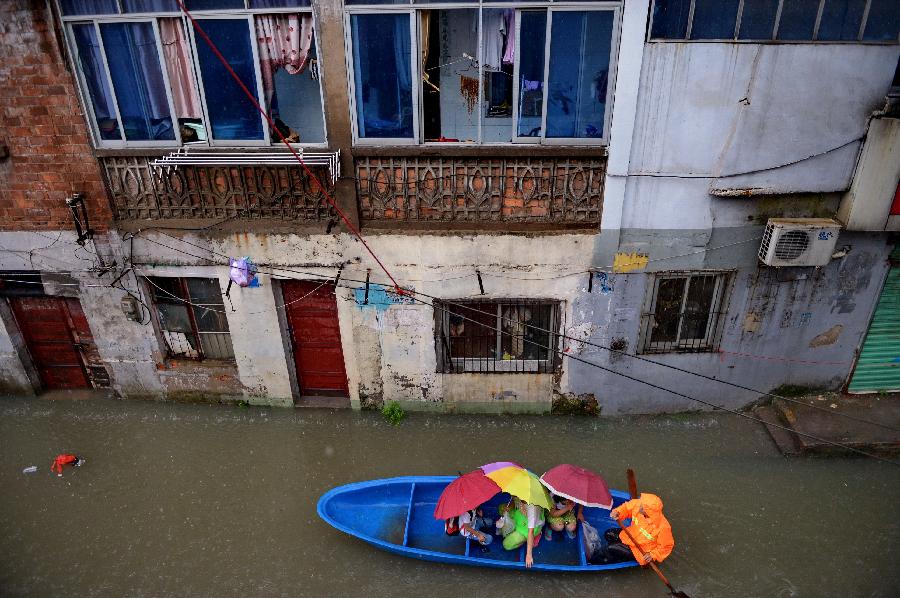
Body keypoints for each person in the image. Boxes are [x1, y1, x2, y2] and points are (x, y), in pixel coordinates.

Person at [588, 493, 674, 565]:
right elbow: (626, 508)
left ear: (648, 512)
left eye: (643, 507)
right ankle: (618, 554)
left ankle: (593, 562)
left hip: (639, 550)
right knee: (608, 534)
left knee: (609, 548)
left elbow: (666, 547)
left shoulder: (663, 527)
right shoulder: (639, 505)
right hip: (628, 535)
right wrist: (618, 512)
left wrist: (652, 555)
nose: (640, 506)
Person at [496, 497, 544, 568]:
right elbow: (513, 502)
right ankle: (516, 533)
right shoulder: (519, 493)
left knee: (506, 544)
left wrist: (529, 555)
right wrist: (509, 507)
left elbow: (530, 532)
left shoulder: (532, 508)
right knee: (501, 507)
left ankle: (534, 537)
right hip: (519, 515)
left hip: (530, 527)